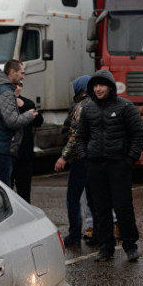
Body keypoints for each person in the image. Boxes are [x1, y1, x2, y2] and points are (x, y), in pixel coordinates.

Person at [74, 70, 143, 262]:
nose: (98, 89)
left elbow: (138, 134)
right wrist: (85, 157)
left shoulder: (125, 107)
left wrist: (130, 158)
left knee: (123, 207)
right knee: (100, 208)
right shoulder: (88, 109)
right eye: (95, 85)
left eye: (102, 85)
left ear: (111, 87)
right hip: (95, 166)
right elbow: (80, 137)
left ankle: (130, 245)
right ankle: (106, 247)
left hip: (119, 165)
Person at [55, 75, 95, 247]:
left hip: (80, 158)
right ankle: (98, 233)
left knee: (73, 198)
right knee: (94, 197)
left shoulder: (80, 107)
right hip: (95, 158)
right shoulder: (99, 104)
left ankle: (74, 235)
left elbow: (74, 136)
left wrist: (63, 157)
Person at [0, 60, 38, 186]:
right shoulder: (6, 92)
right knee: (3, 191)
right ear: (12, 72)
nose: (23, 77)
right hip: (2, 149)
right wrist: (29, 115)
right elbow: (12, 121)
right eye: (22, 73)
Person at [11, 81, 43, 203]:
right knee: (6, 186)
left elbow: (38, 121)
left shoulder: (28, 103)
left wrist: (31, 112)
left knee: (24, 189)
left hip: (25, 152)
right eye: (14, 85)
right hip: (9, 152)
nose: (17, 88)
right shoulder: (4, 103)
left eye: (20, 85)